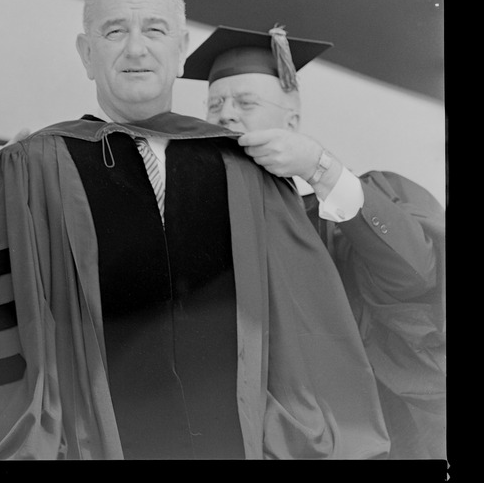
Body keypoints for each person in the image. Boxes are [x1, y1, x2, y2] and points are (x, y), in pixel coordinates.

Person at [0, 0, 390, 460]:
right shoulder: (29, 169)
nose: (135, 48)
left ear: (182, 49)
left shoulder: (250, 173)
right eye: (114, 31)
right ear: (86, 54)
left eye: (154, 29)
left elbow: (304, 336)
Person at [181, 24, 446, 460]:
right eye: (215, 105)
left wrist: (319, 167)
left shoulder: (341, 212)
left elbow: (417, 276)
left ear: (292, 121)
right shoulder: (201, 229)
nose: (225, 115)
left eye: (245, 102)